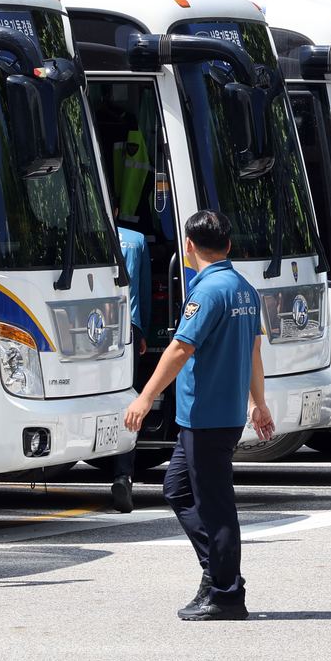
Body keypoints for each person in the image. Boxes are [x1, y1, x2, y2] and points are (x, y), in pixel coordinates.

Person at [123, 210, 274, 621]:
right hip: (214, 414)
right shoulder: (243, 288)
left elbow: (178, 349)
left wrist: (144, 397)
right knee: (178, 490)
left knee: (215, 506)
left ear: (189, 246)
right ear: (227, 245)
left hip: (208, 414)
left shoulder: (207, 292)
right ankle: (216, 571)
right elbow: (255, 351)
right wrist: (258, 402)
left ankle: (226, 592)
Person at [110, 218, 150, 513]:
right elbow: (144, 291)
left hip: (89, 322)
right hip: (130, 327)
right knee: (129, 395)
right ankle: (123, 473)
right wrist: (143, 331)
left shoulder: (82, 236)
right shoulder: (135, 240)